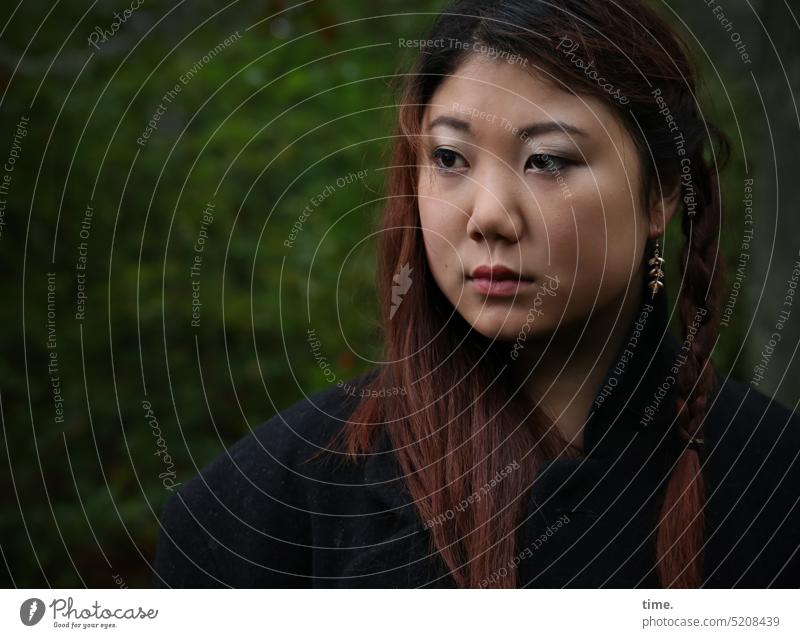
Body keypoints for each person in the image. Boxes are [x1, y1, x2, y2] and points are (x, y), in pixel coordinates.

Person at [153, 0, 800, 588]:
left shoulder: (774, 483)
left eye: (548, 160)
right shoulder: (261, 508)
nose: (489, 215)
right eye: (450, 159)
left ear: (660, 193)